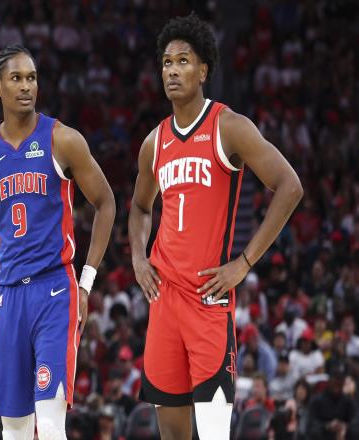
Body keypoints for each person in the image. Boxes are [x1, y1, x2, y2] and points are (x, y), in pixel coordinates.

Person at [128, 12, 303, 440]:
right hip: (164, 300)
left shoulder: (229, 126)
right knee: (172, 435)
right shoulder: (154, 142)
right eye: (166, 63)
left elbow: (290, 187)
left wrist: (244, 263)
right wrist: (137, 257)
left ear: (204, 70)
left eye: (183, 61)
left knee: (213, 434)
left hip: (208, 301)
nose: (172, 70)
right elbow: (139, 207)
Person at [0, 45, 115, 440]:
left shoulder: (62, 139)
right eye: (16, 78)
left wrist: (86, 282)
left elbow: (106, 203)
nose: (26, 86)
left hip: (55, 289)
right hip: (10, 297)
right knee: (14, 431)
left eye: (31, 78)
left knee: (50, 426)